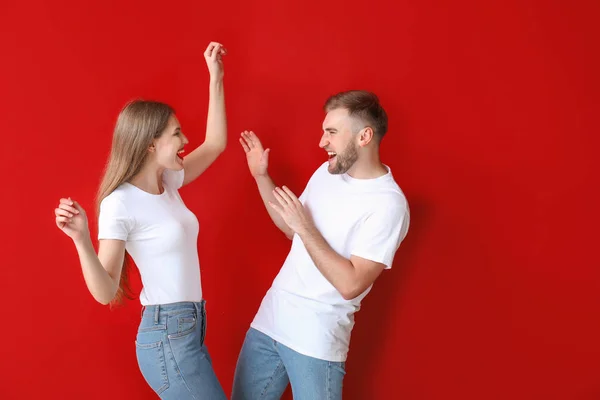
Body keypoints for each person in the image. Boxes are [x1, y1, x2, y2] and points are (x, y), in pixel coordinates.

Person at [53, 41, 229, 399]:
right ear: (150, 145)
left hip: (190, 329)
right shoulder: (120, 203)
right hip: (167, 338)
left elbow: (215, 144)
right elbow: (105, 291)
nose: (185, 139)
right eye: (176, 134)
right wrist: (81, 238)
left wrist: (216, 78)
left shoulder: (168, 183)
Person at [233, 90, 410, 399]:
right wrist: (262, 177)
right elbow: (292, 229)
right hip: (270, 320)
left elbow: (351, 284)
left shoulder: (388, 204)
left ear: (364, 136)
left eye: (331, 132)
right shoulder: (326, 173)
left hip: (317, 337)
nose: (322, 142)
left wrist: (305, 227)